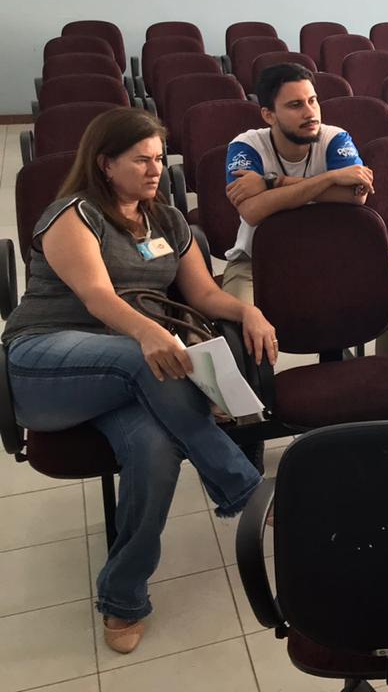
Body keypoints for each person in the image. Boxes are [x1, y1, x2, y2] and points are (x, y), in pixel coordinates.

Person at [2, 108, 273, 654]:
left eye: (159, 159)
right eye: (141, 160)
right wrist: (150, 333)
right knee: (140, 356)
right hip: (45, 363)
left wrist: (248, 311)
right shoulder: (73, 214)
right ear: (105, 164)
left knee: (154, 450)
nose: (155, 170)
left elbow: (203, 294)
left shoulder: (169, 221)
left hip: (129, 374)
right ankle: (246, 488)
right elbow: (97, 297)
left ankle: (122, 597)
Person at [220, 62, 388, 356]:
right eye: (295, 105)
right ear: (269, 115)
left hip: (331, 258)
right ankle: (253, 387)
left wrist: (272, 183)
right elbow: (253, 211)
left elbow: (355, 196)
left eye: (313, 101)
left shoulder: (334, 138)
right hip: (254, 265)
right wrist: (330, 180)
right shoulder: (247, 146)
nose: (310, 113)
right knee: (237, 325)